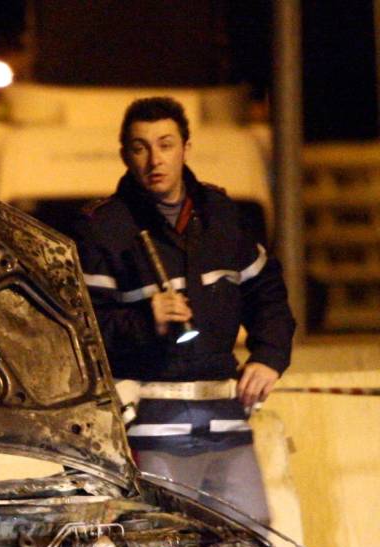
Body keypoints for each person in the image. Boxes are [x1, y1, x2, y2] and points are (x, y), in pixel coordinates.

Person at [73, 96, 296, 525]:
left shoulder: (221, 215)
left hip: (226, 417)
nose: (154, 159)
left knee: (251, 543)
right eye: (140, 147)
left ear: (186, 148)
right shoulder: (103, 228)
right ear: (125, 154)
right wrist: (146, 320)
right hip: (147, 425)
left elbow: (268, 294)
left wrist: (269, 357)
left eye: (166, 144)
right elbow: (78, 330)